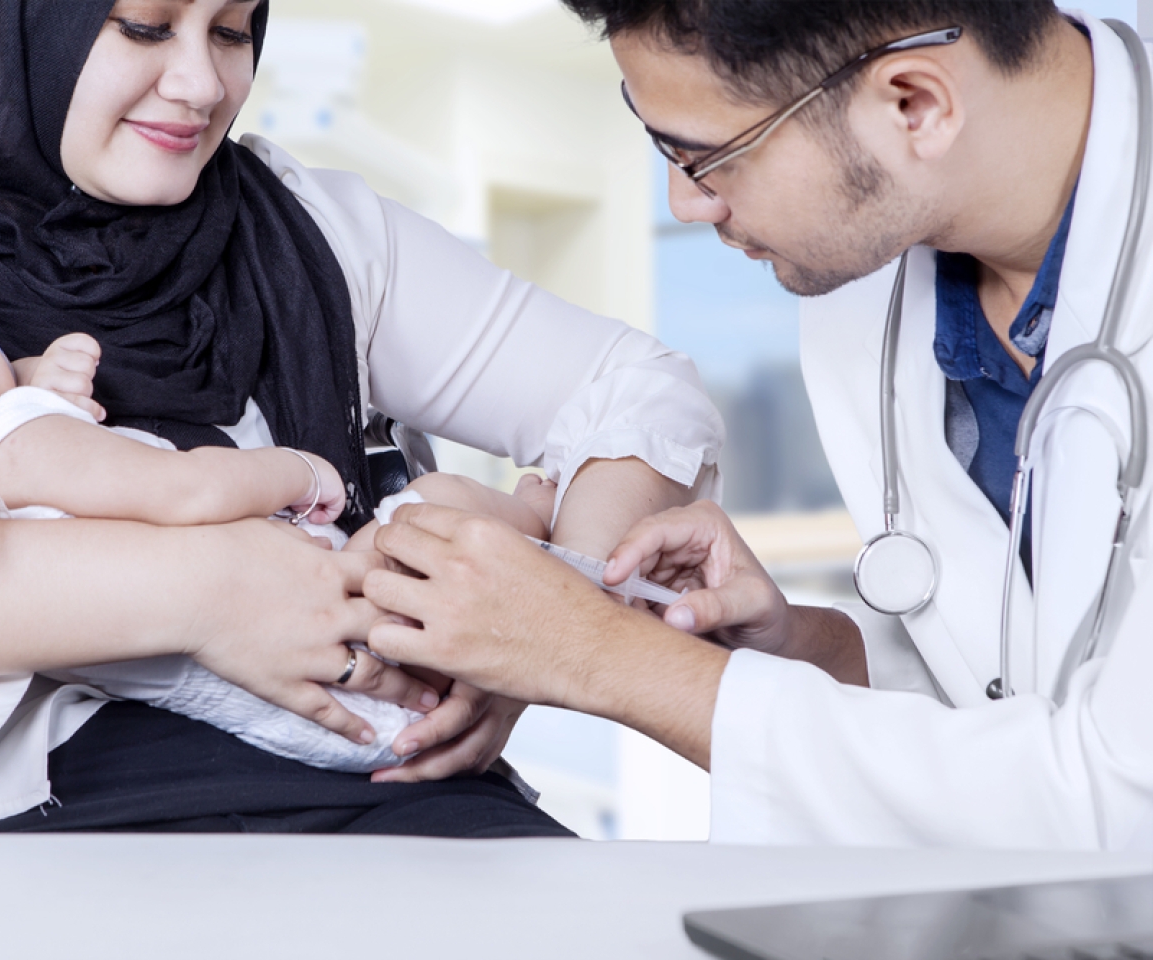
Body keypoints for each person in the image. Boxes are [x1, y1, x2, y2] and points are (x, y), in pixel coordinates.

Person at [0, 0, 722, 836]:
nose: (203, 85)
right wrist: (202, 590)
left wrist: (547, 622)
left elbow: (637, 390)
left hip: (398, 791)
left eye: (232, 31)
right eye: (145, 28)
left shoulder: (312, 231)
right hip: (49, 823)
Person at [364, 0, 1153, 850]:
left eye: (707, 158)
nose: (686, 203)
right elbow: (1001, 716)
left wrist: (593, 651)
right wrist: (808, 653)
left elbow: (1121, 796)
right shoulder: (874, 280)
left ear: (913, 104)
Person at [0, 258, 554, 774]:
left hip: (297, 723)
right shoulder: (23, 443)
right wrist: (294, 470)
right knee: (432, 512)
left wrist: (39, 376)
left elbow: (11, 460)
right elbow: (183, 493)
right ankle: (533, 522)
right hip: (334, 659)